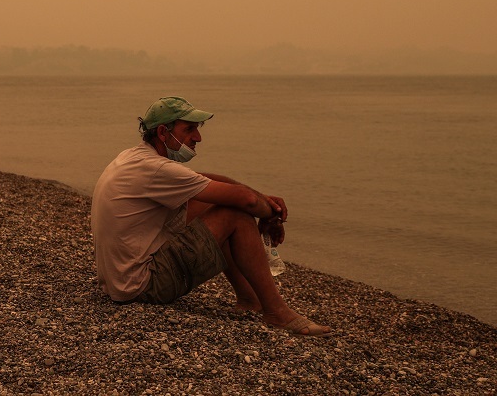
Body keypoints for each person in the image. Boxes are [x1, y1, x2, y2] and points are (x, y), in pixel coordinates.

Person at [91, 96, 332, 336]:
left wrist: (264, 199)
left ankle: (249, 299)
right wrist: (273, 214)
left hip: (119, 282)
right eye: (189, 129)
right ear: (163, 132)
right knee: (235, 215)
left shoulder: (134, 158)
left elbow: (215, 184)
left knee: (213, 202)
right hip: (142, 285)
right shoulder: (157, 168)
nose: (198, 138)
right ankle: (277, 312)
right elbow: (244, 200)